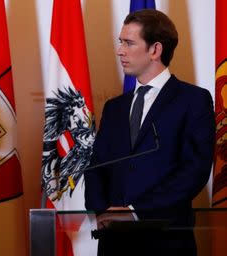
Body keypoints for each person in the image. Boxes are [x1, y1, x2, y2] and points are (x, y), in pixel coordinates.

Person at [84, 9, 215, 256]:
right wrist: (100, 211)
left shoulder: (193, 100)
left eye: (129, 43)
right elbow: (96, 167)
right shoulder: (114, 108)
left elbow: (194, 171)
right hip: (114, 245)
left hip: (166, 244)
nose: (119, 50)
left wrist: (135, 212)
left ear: (155, 50)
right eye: (120, 42)